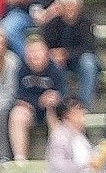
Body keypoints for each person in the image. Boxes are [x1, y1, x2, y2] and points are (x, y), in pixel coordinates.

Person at [5, 32, 63, 164]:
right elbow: (18, 95)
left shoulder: (55, 70)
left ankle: (57, 157)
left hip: (49, 110)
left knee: (54, 113)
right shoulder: (21, 69)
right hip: (29, 109)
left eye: (38, 51)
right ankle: (20, 159)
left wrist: (54, 98)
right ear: (26, 54)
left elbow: (61, 93)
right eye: (31, 51)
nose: (35, 55)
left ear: (46, 53)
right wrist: (38, 101)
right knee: (17, 114)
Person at [39, 0, 97, 108]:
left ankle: (84, 106)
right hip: (59, 62)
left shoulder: (86, 21)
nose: (70, 9)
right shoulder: (52, 23)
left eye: (72, 5)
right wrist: (54, 54)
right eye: (65, 5)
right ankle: (62, 105)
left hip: (78, 60)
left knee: (89, 62)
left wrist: (66, 54)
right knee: (54, 63)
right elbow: (45, 44)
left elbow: (89, 47)